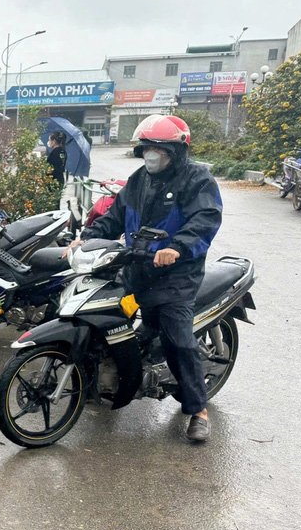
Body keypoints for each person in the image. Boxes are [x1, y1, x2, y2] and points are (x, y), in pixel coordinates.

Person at [64, 114, 223, 442]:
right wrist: (87, 237)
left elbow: (205, 219)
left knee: (177, 339)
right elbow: (113, 217)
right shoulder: (139, 180)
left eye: (158, 149)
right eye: (147, 148)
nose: (150, 154)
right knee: (105, 318)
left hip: (177, 276)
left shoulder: (198, 180)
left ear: (176, 151)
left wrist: (178, 248)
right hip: (137, 269)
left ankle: (197, 409)